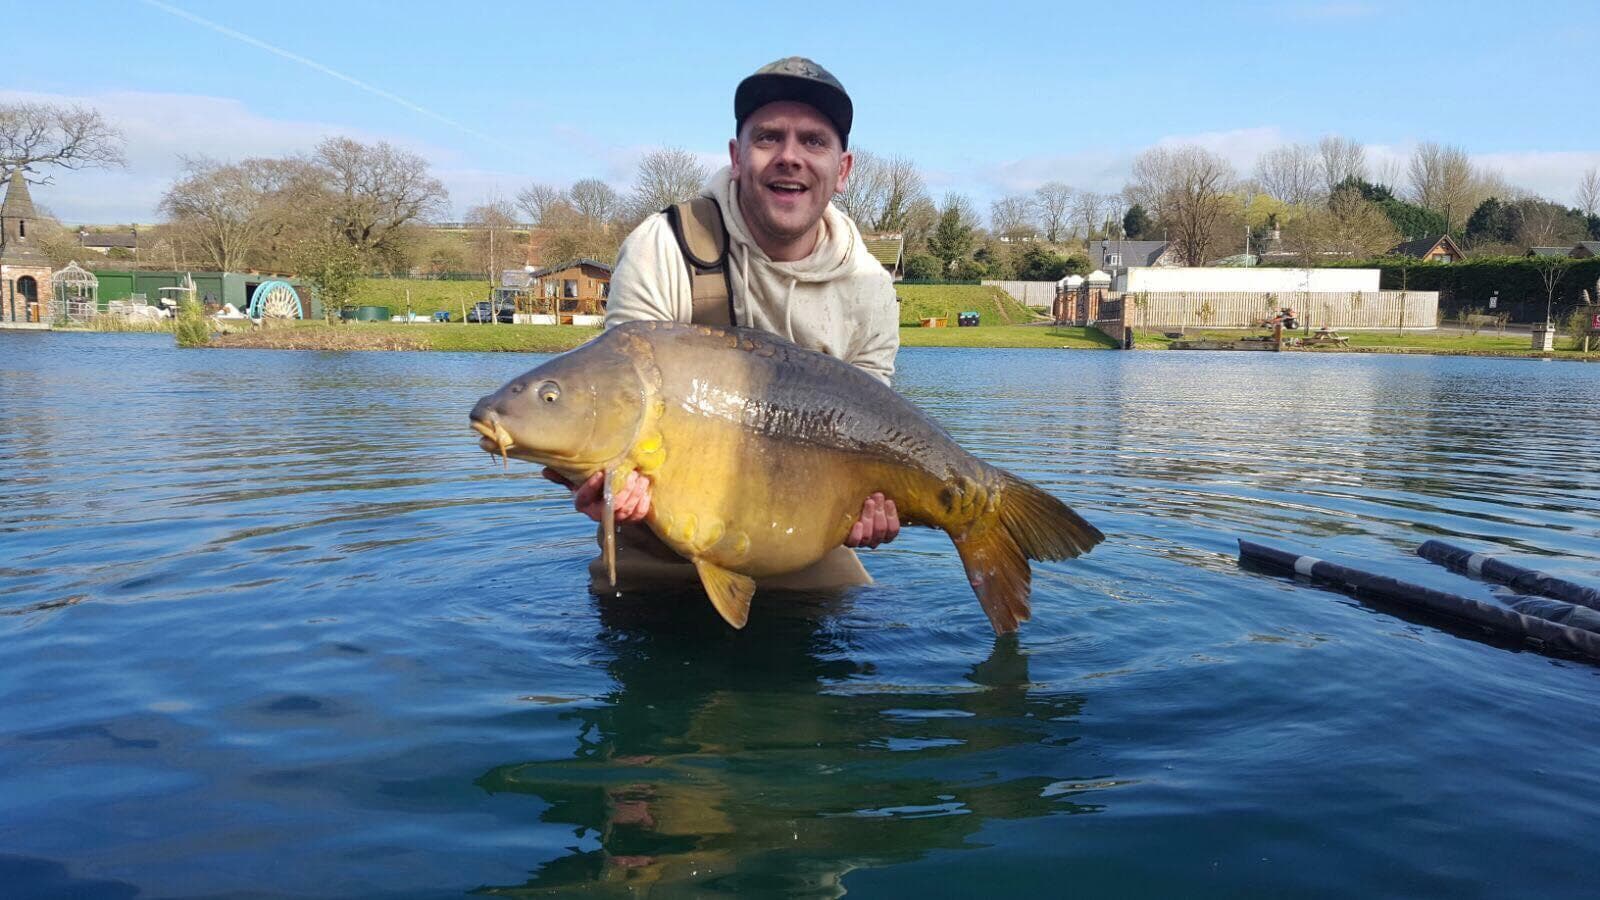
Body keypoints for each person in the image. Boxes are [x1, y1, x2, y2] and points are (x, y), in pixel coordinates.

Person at [545, 56, 903, 589]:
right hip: (657, 535)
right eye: (767, 138)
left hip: (796, 537)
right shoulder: (663, 245)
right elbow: (611, 401)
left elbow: (870, 433)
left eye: (812, 141)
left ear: (843, 170)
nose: (789, 157)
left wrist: (869, 506)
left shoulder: (871, 289)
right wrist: (603, 479)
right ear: (737, 157)